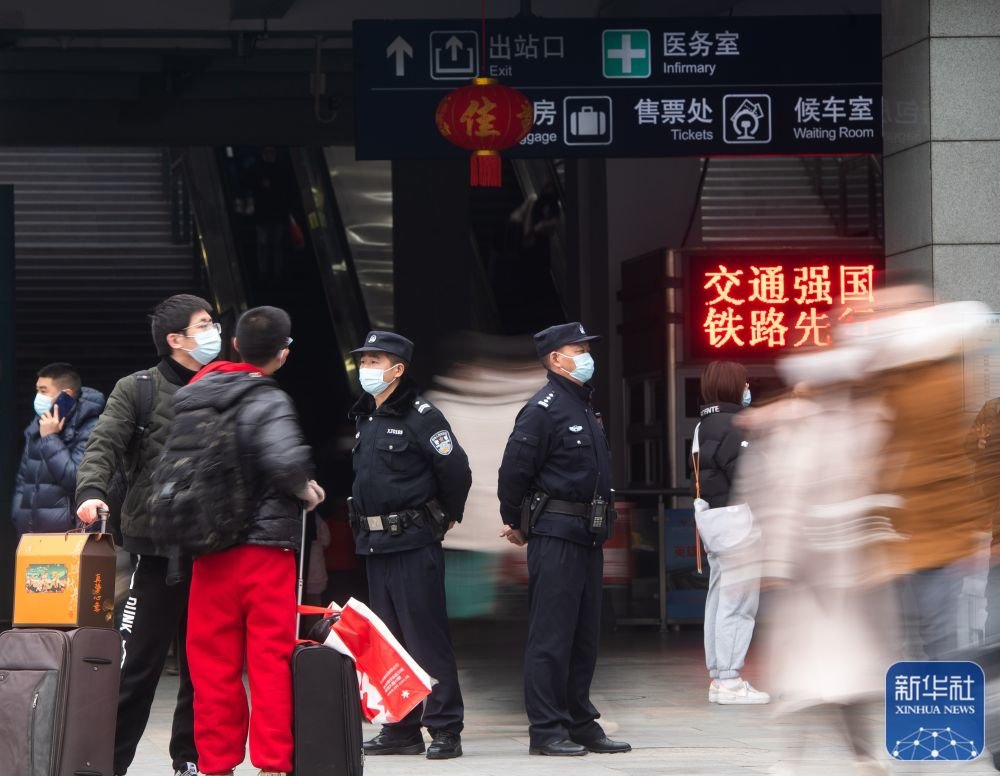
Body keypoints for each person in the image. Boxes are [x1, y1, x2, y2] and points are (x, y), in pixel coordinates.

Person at [75, 293, 222, 776]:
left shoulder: (228, 385)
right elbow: (105, 443)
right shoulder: (136, 388)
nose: (213, 331)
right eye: (203, 325)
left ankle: (192, 761)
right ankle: (108, 764)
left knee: (205, 668)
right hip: (152, 552)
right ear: (175, 339)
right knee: (136, 666)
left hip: (211, 548)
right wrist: (92, 490)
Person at [180, 305, 324, 776]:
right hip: (265, 551)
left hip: (208, 550)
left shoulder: (194, 392)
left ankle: (216, 764)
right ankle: (272, 763)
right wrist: (307, 491)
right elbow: (284, 463)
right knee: (269, 660)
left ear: (235, 344)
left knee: (211, 664)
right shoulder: (270, 398)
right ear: (283, 355)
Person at [497, 322, 631, 757]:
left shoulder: (582, 407)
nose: (587, 356)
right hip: (555, 533)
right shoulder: (544, 408)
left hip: (588, 534)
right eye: (579, 349)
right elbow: (513, 471)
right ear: (556, 359)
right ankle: (547, 729)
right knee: (551, 636)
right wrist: (514, 520)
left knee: (584, 635)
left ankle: (579, 720)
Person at [348, 330, 471, 760]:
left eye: (376, 361)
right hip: (375, 544)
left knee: (425, 639)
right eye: (364, 361)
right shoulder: (367, 416)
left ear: (398, 369)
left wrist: (445, 516)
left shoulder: (422, 416)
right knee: (387, 641)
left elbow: (456, 471)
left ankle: (444, 727)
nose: (367, 369)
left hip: (414, 544)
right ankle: (399, 727)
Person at [693, 361, 769, 705]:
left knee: (719, 600)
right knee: (738, 605)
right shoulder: (732, 425)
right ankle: (730, 680)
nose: (748, 387)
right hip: (740, 525)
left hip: (715, 522)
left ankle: (719, 676)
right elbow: (752, 476)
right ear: (734, 386)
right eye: (745, 382)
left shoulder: (703, 425)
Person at [12, 362, 105, 535]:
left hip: (67, 535)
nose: (38, 396)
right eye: (37, 390)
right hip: (30, 534)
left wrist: (50, 438)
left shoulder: (91, 427)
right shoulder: (38, 424)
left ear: (66, 395)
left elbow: (75, 478)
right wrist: (18, 515)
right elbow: (23, 480)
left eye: (43, 391)